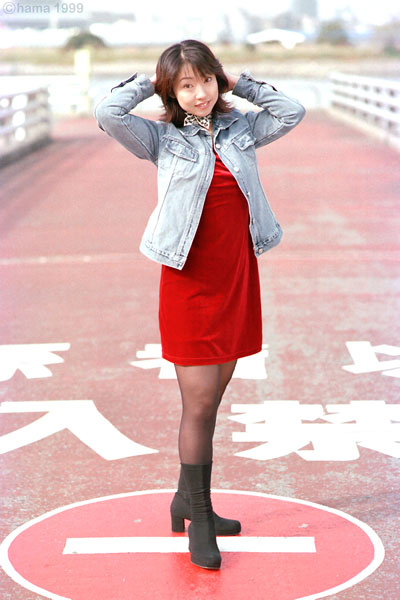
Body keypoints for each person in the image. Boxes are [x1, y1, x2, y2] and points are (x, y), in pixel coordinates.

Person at [94, 39, 305, 570]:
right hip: (188, 278)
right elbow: (108, 113)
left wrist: (239, 83)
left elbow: (292, 111)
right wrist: (152, 82)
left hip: (235, 274)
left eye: (206, 80)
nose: (199, 93)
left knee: (216, 395)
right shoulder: (160, 139)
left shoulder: (241, 129)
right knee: (200, 403)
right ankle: (202, 517)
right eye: (186, 85)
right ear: (172, 91)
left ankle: (184, 498)